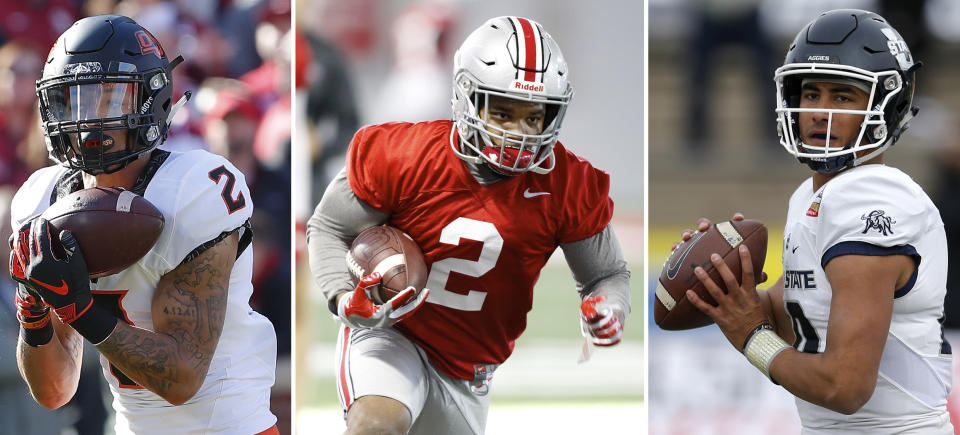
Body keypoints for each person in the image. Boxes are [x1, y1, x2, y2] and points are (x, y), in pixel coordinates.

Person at [306, 16, 631, 434]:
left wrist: (610, 306)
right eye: (503, 113)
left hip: (469, 371)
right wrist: (342, 298)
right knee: (376, 425)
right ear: (467, 98)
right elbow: (329, 227)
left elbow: (606, 274)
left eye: (534, 117)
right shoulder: (405, 154)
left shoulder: (568, 184)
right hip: (394, 333)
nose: (520, 133)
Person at [673, 9, 953, 433]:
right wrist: (722, 285)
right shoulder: (816, 195)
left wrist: (753, 338)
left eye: (842, 97)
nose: (820, 111)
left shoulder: (875, 202)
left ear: (886, 105)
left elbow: (846, 386)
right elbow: (801, 319)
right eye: (812, 94)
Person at [8, 15, 278, 434]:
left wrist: (79, 308)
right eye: (73, 100)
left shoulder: (193, 190)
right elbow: (54, 392)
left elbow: (183, 377)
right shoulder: (41, 200)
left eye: (109, 98)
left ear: (152, 100)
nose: (88, 119)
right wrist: (34, 313)